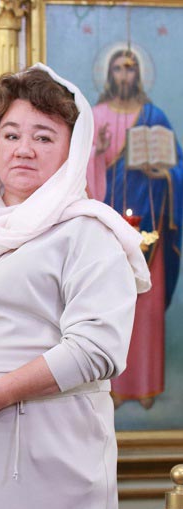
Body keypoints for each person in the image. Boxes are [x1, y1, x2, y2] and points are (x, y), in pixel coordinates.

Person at [0, 64, 151, 509]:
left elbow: (96, 349)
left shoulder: (88, 232)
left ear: (73, 149)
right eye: (11, 134)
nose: (23, 149)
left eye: (43, 136)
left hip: (54, 447)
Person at [86, 49, 183, 409]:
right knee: (112, 304)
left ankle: (146, 386)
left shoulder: (155, 117)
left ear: (139, 74)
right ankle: (110, 387)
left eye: (130, 69)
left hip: (151, 224)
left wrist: (165, 173)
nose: (124, 76)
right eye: (118, 69)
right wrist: (97, 152)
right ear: (109, 74)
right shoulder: (96, 116)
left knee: (147, 309)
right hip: (108, 229)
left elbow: (179, 167)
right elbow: (79, 171)